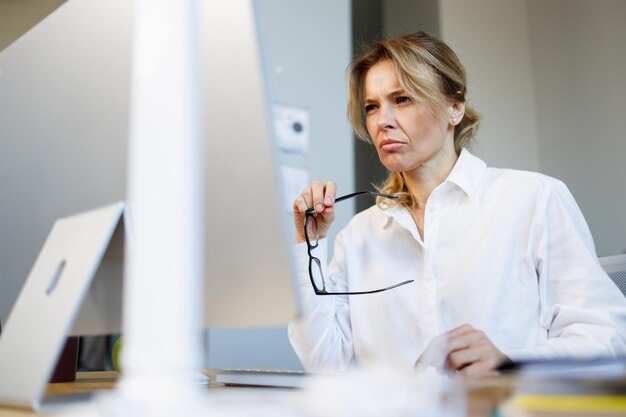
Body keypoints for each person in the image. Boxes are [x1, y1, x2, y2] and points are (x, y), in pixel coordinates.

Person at [288, 31, 626, 378]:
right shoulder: (358, 235)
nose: (382, 121)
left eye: (402, 99)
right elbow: (324, 361)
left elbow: (606, 337)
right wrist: (308, 244)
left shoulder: (534, 200)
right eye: (371, 107)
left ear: (455, 107)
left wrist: (509, 361)